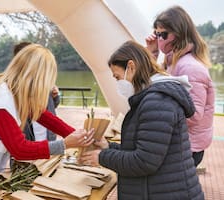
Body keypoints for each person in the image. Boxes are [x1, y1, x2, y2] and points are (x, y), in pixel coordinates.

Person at [0, 44, 94, 199]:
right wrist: (65, 144)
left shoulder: (7, 84)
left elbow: (41, 114)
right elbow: (19, 149)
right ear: (36, 77)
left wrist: (77, 135)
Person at [79, 40, 204, 199]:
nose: (118, 83)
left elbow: (144, 161)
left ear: (131, 67)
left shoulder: (157, 102)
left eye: (118, 77)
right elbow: (142, 149)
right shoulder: (151, 98)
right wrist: (108, 146)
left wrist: (102, 157)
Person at [145, 5, 215, 167]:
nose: (158, 39)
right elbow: (149, 86)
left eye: (163, 34)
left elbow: (194, 114)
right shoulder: (171, 62)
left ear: (178, 34)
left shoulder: (189, 67)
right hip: (179, 142)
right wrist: (152, 55)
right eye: (156, 33)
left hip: (187, 147)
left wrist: (158, 117)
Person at [13, 41, 60, 141]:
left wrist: (55, 97)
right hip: (28, 141)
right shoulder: (12, 88)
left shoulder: (43, 81)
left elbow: (51, 107)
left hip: (48, 137)